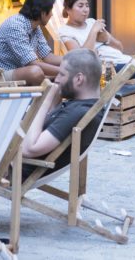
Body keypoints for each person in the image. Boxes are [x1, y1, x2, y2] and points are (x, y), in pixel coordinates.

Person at [20, 48, 104, 176]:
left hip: (11, 167)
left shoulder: (77, 112)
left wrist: (44, 102)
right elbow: (51, 122)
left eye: (62, 74)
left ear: (79, 79)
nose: (56, 79)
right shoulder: (84, 104)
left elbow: (30, 149)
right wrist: (54, 100)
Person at [0, 0, 62, 85]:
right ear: (43, 13)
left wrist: (72, 63)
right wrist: (65, 72)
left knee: (59, 78)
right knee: (35, 72)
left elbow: (48, 57)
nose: (52, 14)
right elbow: (32, 64)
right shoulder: (15, 26)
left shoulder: (35, 27)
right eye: (51, 10)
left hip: (14, 73)